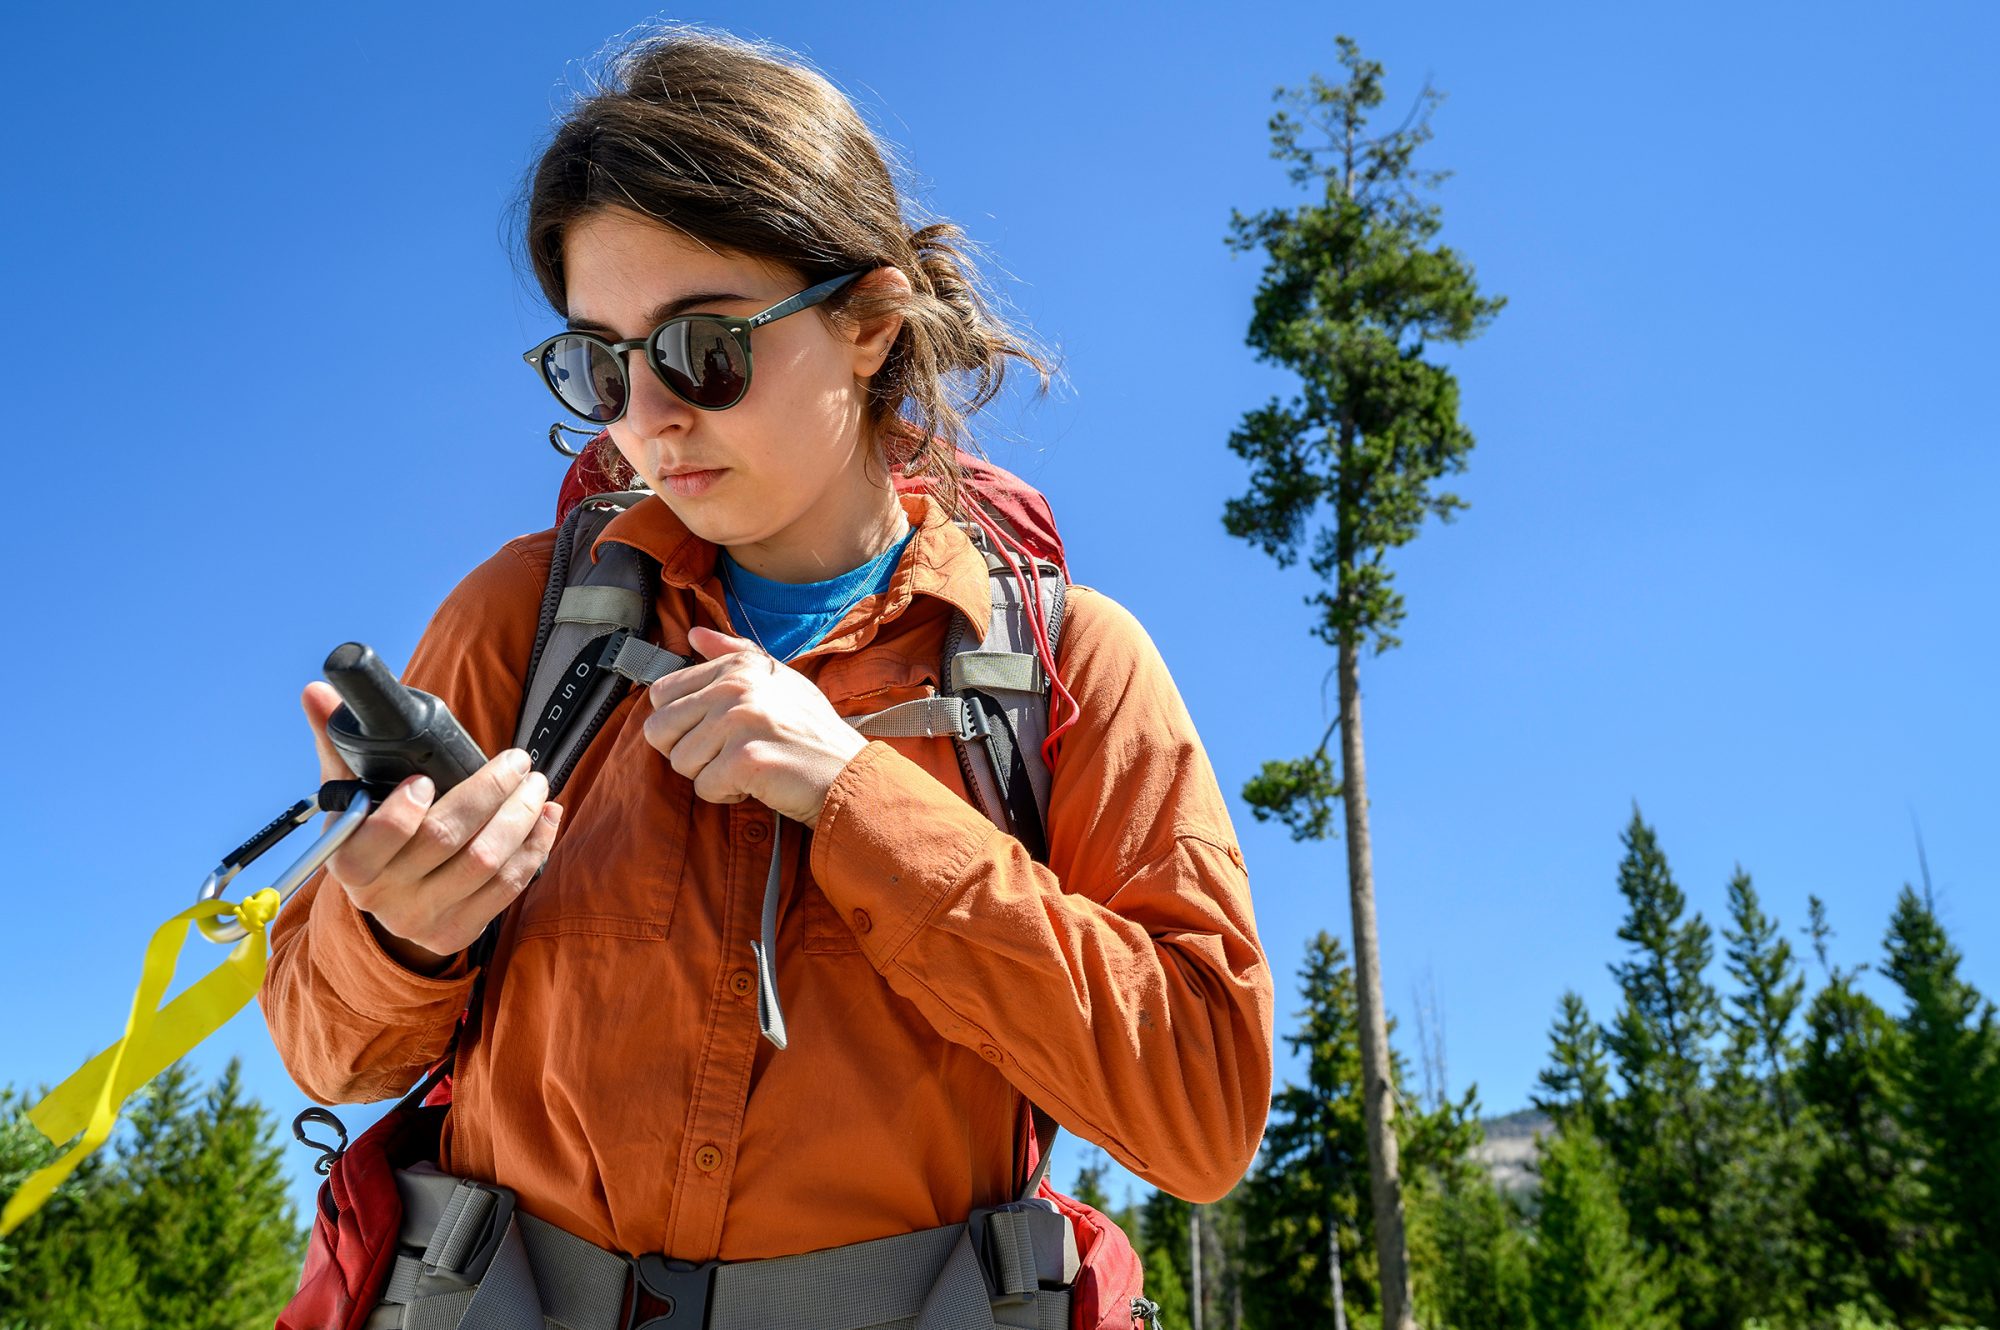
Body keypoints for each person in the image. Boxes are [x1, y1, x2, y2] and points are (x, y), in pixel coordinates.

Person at [261, 21, 1273, 1286]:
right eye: (599, 363)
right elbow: (323, 1047)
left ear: (867, 317)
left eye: (701, 348)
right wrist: (396, 935)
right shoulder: (519, 617)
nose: (646, 419)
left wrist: (856, 798)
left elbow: (1203, 1110)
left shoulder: (1075, 664)